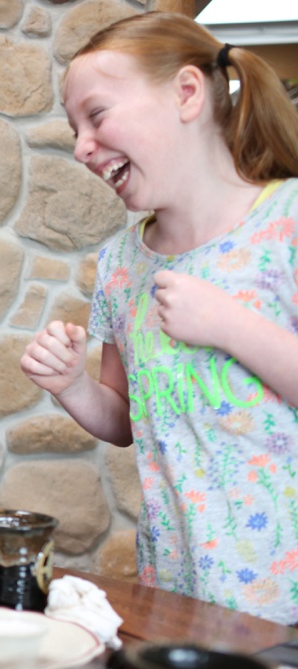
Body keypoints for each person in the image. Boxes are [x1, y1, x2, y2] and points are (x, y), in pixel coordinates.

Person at [20, 12, 298, 624]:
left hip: (284, 603)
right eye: (74, 129)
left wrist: (230, 325)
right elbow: (125, 419)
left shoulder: (287, 222)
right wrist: (72, 385)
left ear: (188, 94)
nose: (80, 146)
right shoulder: (122, 263)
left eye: (96, 115)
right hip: (174, 586)